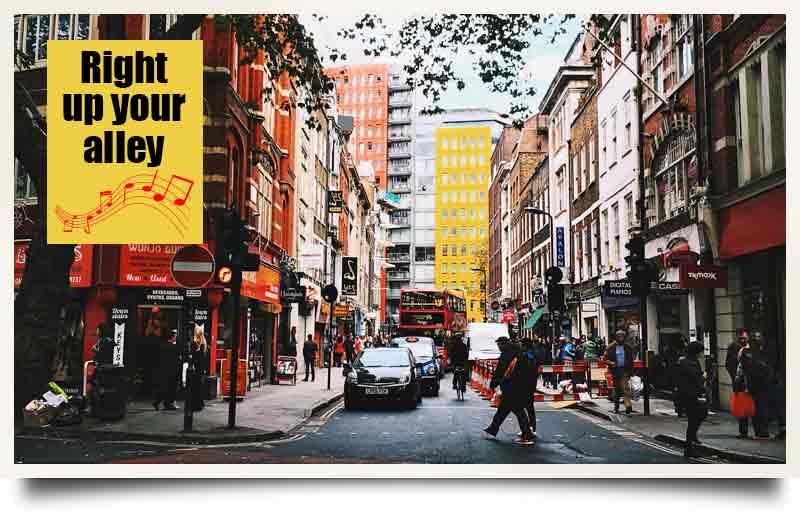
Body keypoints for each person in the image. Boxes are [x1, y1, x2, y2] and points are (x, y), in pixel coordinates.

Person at [483, 337, 535, 445]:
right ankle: (492, 429)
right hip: (516, 386)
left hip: (512, 386)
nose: (498, 347)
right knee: (504, 409)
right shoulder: (517, 352)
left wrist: (494, 383)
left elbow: (500, 370)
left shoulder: (507, 355)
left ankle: (526, 435)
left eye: (499, 345)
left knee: (517, 410)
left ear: (504, 344)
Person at [674, 342, 708, 458]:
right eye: (700, 351)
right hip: (689, 395)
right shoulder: (688, 362)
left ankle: (692, 439)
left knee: (700, 415)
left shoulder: (687, 361)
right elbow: (694, 377)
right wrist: (702, 377)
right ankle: (688, 448)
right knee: (694, 420)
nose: (701, 354)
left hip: (690, 394)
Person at [736, 333, 772, 440]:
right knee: (755, 409)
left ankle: (761, 432)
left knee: (759, 409)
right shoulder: (748, 353)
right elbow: (744, 369)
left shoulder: (758, 353)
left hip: (758, 385)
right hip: (753, 385)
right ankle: (759, 432)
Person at [603, 329, 634, 416]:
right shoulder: (610, 347)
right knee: (617, 390)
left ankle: (628, 405)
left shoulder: (628, 347)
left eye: (622, 337)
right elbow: (604, 359)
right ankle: (616, 407)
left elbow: (631, 360)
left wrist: (631, 371)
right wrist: (611, 363)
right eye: (619, 336)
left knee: (625, 388)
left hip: (624, 370)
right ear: (616, 337)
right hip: (615, 371)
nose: (621, 338)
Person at [726, 329, 749, 438]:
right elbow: (728, 364)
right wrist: (735, 377)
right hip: (740, 383)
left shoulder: (751, 348)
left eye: (745, 338)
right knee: (742, 408)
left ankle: (761, 431)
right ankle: (743, 432)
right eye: (741, 338)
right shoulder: (733, 348)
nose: (743, 340)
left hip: (753, 382)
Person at [153, 329, 180, 411]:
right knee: (170, 388)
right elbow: (176, 358)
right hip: (171, 370)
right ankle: (165, 403)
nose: (176, 337)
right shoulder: (172, 346)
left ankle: (162, 403)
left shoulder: (163, 345)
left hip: (164, 370)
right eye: (175, 336)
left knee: (165, 387)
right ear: (173, 336)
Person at [519, 338, 539, 437]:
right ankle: (529, 428)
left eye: (521, 344)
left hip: (527, 384)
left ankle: (530, 428)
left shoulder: (529, 355)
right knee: (527, 406)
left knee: (527, 406)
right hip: (529, 384)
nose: (520, 346)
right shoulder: (531, 354)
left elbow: (527, 370)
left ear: (525, 346)